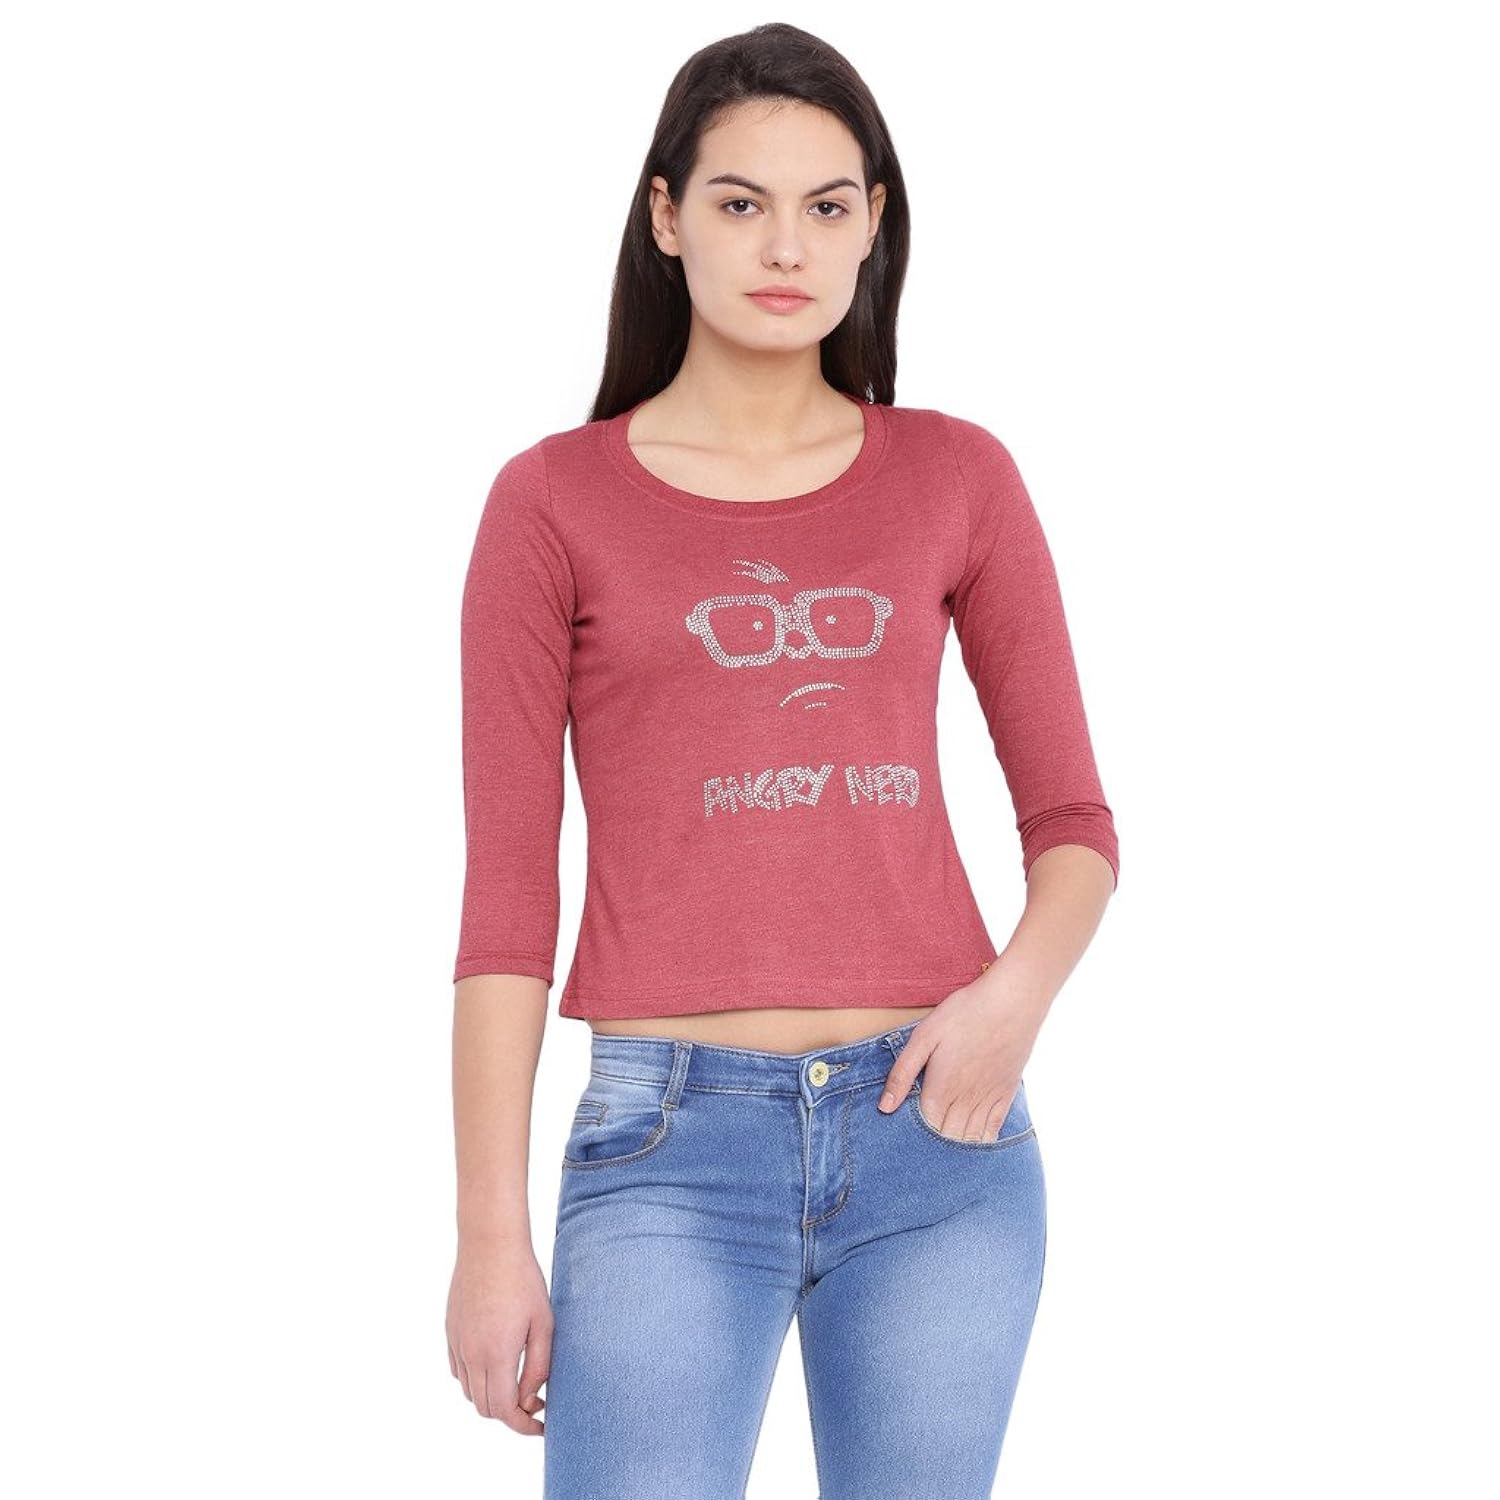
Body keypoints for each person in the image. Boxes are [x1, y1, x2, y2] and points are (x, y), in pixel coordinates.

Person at [445, 22, 1119, 1497]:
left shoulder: (956, 475)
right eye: (741, 201)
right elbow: (506, 903)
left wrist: (1011, 1005)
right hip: (669, 1150)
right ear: (667, 216)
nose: (785, 245)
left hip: (936, 1134)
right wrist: (490, 1238)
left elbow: (1075, 823)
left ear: (874, 224)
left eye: (827, 205)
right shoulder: (551, 505)